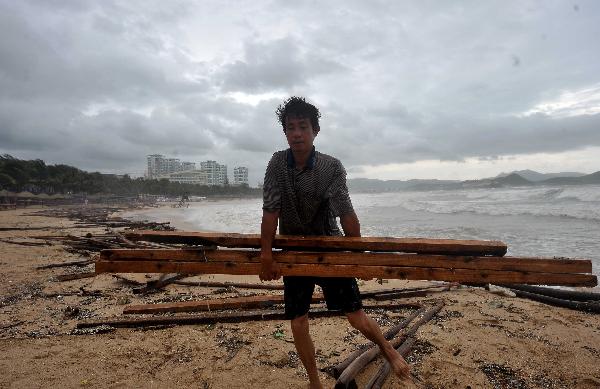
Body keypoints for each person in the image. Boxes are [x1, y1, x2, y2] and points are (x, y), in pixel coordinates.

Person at [259, 96, 410, 388]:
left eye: (303, 127)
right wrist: (267, 256)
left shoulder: (331, 167)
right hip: (295, 252)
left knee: (356, 316)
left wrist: (359, 255)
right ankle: (314, 381)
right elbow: (270, 211)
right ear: (285, 132)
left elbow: (345, 212)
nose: (297, 133)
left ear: (315, 131)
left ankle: (387, 348)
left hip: (330, 248)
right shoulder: (277, 163)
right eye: (291, 127)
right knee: (298, 321)